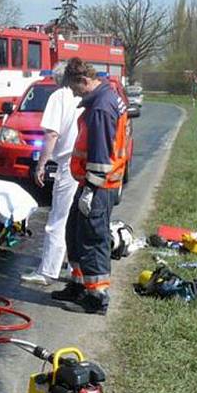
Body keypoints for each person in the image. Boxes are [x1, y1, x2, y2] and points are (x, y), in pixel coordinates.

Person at [52, 58, 128, 315]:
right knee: (74, 232)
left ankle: (97, 296)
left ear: (84, 81)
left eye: (74, 89)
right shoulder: (103, 98)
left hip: (99, 184)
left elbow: (100, 155)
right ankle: (79, 285)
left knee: (93, 238)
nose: (73, 94)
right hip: (90, 182)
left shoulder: (101, 108)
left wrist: (90, 189)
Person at [21, 68, 82, 286]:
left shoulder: (59, 96)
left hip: (68, 164)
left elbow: (52, 134)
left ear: (58, 79)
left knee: (57, 219)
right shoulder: (81, 96)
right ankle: (73, 265)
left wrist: (41, 164)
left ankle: (47, 271)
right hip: (83, 162)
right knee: (75, 219)